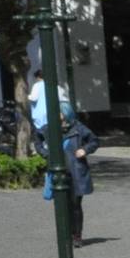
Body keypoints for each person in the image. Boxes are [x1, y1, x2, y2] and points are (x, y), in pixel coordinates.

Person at [29, 73, 98, 247]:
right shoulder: (49, 128)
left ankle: (77, 236)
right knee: (62, 205)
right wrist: (44, 152)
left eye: (59, 113)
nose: (56, 115)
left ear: (65, 114)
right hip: (58, 171)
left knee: (75, 205)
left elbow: (94, 140)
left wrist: (85, 150)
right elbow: (37, 137)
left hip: (76, 172)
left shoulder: (77, 128)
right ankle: (65, 235)